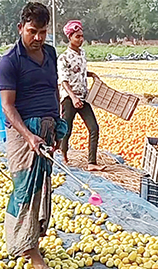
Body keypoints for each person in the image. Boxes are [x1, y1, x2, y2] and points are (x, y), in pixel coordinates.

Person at [0, 2, 67, 269]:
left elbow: (53, 89)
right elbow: (7, 108)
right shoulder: (10, 61)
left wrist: (59, 128)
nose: (37, 38)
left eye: (42, 32)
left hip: (47, 130)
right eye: (32, 31)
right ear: (20, 28)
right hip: (24, 132)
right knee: (26, 190)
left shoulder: (50, 53)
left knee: (42, 189)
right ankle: (30, 251)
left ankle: (29, 241)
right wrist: (30, 136)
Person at [58, 20, 106, 171]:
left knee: (94, 128)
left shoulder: (82, 53)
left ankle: (92, 162)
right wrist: (73, 97)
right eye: (77, 36)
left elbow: (80, 72)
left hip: (83, 97)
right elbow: (64, 80)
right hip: (69, 98)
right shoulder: (63, 58)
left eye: (82, 36)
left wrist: (92, 74)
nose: (80, 39)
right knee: (67, 129)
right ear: (70, 37)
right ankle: (63, 155)